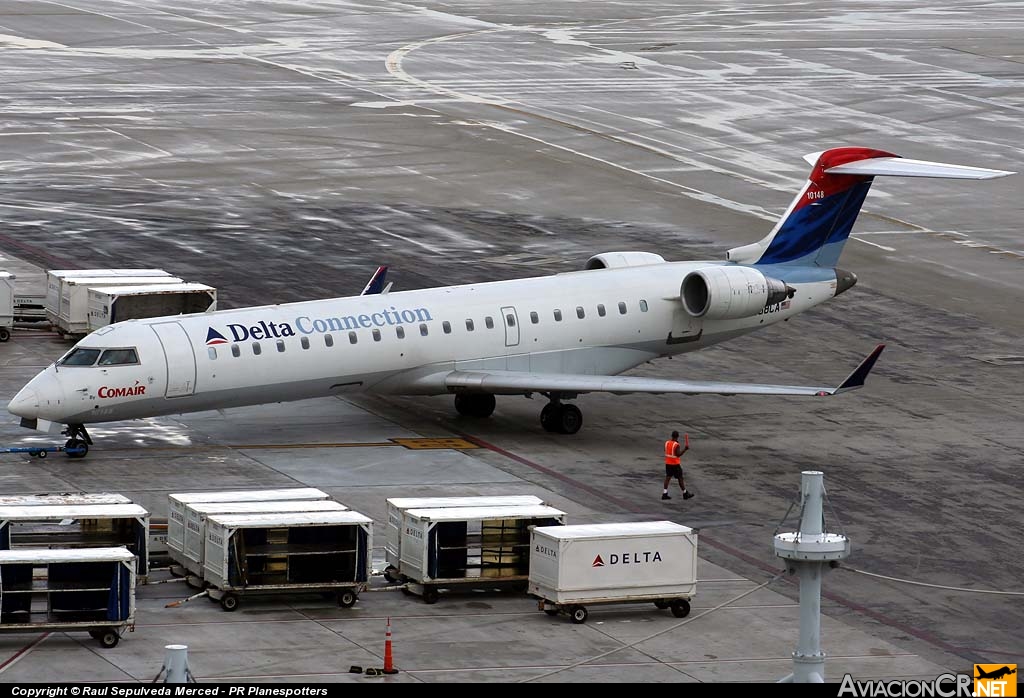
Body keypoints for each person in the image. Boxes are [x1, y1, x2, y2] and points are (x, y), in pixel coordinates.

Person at [662, 430, 694, 501]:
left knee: (668, 478)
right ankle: (685, 493)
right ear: (677, 437)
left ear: (672, 436)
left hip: (668, 463)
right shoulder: (676, 445)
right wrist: (685, 449)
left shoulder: (667, 443)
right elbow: (678, 454)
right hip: (675, 465)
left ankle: (664, 493)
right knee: (680, 478)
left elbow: (666, 450)